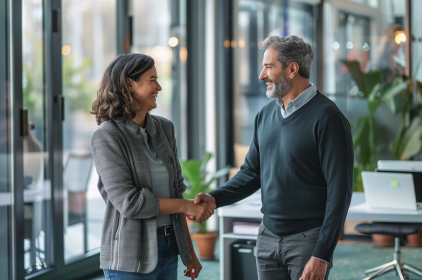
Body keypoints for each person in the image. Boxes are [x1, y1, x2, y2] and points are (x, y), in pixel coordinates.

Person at [190, 35, 353, 280]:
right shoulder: (265, 115)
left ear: (292, 69)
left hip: (308, 240)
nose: (261, 75)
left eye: (268, 67)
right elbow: (251, 172)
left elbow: (340, 193)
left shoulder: (329, 119)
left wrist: (321, 254)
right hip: (267, 235)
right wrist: (215, 198)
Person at [90, 53, 213, 279]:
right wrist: (186, 206)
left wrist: (189, 253)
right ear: (129, 84)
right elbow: (130, 203)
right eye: (152, 79)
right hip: (129, 257)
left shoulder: (164, 129)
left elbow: (176, 193)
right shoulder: (107, 136)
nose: (159, 87)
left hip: (169, 248)